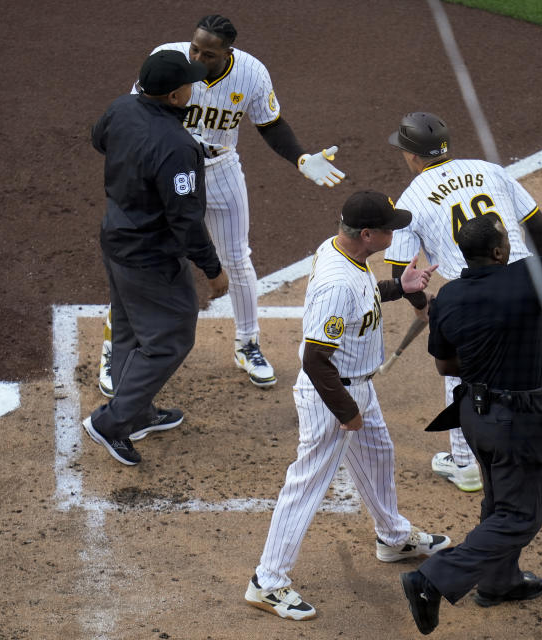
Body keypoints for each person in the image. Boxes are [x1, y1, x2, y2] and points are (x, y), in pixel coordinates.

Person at [400, 150, 542, 635]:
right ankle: (432, 578)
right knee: (519, 516)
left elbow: (446, 364)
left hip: (473, 416)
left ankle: (499, 581)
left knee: (497, 501)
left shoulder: (448, 298)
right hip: (517, 421)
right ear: (499, 252)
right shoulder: (529, 280)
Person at [98, 14, 345, 395]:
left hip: (220, 167)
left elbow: (271, 123)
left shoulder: (251, 74)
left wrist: (299, 158)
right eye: (194, 47)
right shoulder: (168, 60)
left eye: (207, 53)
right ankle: (115, 347)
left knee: (237, 258)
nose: (196, 57)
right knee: (141, 259)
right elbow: (137, 111)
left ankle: (248, 344)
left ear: (228, 52)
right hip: (168, 169)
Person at [245, 190, 450, 621]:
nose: (397, 232)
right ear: (367, 233)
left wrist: (401, 287)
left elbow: (363, 298)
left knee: (379, 455)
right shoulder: (337, 282)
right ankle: (268, 580)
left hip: (356, 386)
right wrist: (347, 413)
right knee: (307, 482)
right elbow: (314, 360)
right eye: (390, 227)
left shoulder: (343, 252)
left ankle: (393, 537)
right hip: (332, 393)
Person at [384, 111, 542, 492]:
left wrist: (422, 307)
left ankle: (466, 464)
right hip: (525, 286)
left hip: (474, 296)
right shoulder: (489, 170)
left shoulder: (411, 198)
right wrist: (534, 273)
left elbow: (403, 274)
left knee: (463, 371)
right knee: (531, 361)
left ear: (413, 156)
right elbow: (538, 224)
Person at [82, 50, 230, 466]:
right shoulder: (176, 145)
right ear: (175, 95)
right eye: (189, 82)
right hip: (150, 256)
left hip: (116, 237)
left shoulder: (122, 106)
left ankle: (137, 408)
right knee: (170, 337)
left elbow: (99, 139)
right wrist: (213, 269)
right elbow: (185, 219)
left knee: (130, 326)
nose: (193, 86)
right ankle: (112, 423)